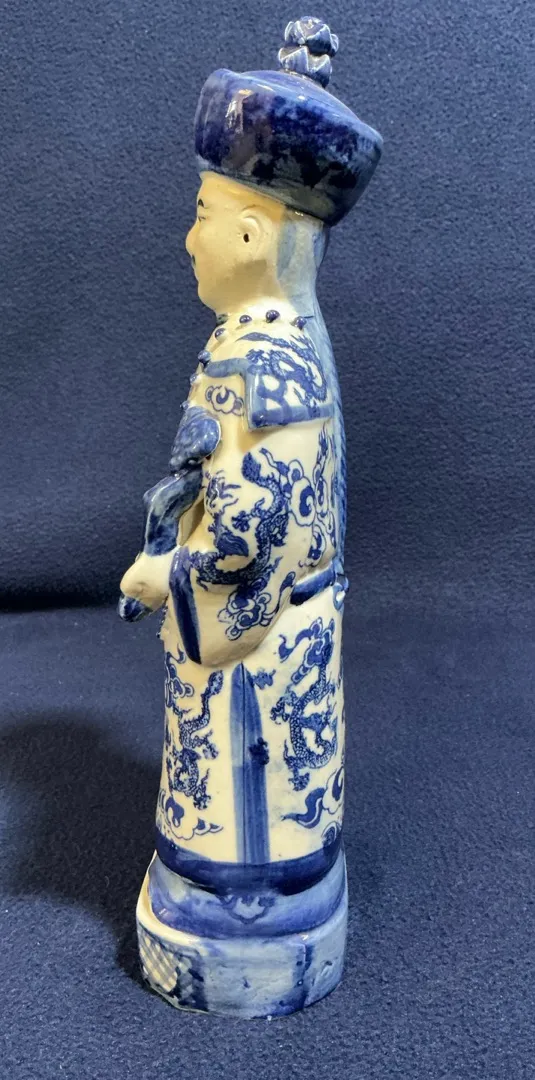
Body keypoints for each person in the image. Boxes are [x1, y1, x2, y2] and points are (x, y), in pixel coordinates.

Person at [118, 15, 382, 1017]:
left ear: (249, 234)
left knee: (240, 813)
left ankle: (242, 920)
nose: (189, 238)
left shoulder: (260, 363)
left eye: (203, 215)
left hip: (254, 657)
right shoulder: (281, 342)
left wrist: (161, 573)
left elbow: (245, 540)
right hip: (280, 638)